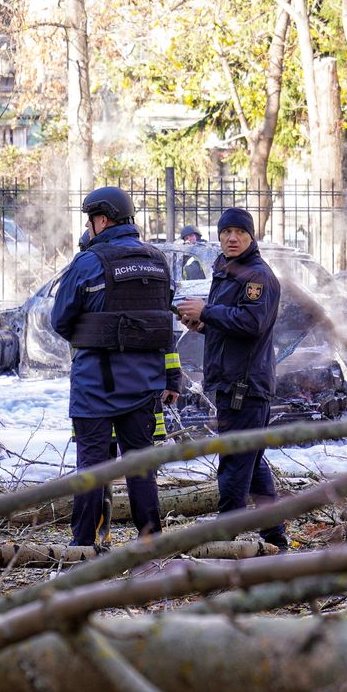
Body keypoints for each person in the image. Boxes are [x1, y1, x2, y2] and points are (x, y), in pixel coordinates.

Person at [51, 186, 179, 549]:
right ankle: (150, 546)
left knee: (92, 471)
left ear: (102, 220)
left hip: (95, 387)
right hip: (143, 386)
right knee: (141, 469)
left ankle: (83, 550)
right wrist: (171, 376)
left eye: (91, 220)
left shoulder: (87, 262)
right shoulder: (157, 261)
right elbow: (164, 325)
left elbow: (60, 319)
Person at [176, 207, 288, 550]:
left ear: (251, 236)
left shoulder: (257, 276)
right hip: (230, 381)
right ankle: (275, 537)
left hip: (246, 386)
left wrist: (207, 312)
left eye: (240, 231)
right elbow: (231, 325)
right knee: (250, 464)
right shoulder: (226, 270)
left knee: (234, 467)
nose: (232, 237)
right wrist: (203, 324)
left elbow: (252, 323)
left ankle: (225, 542)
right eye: (226, 232)